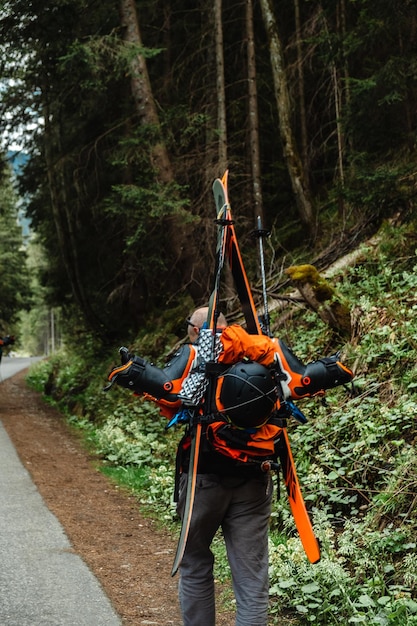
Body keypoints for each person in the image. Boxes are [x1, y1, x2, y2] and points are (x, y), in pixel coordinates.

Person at [108, 307, 353, 626]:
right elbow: (301, 382)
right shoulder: (265, 352)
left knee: (195, 563)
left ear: (197, 331)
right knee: (252, 581)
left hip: (203, 477)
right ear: (228, 326)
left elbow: (169, 392)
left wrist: (130, 371)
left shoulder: (196, 357)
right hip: (255, 478)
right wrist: (334, 368)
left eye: (189, 328)